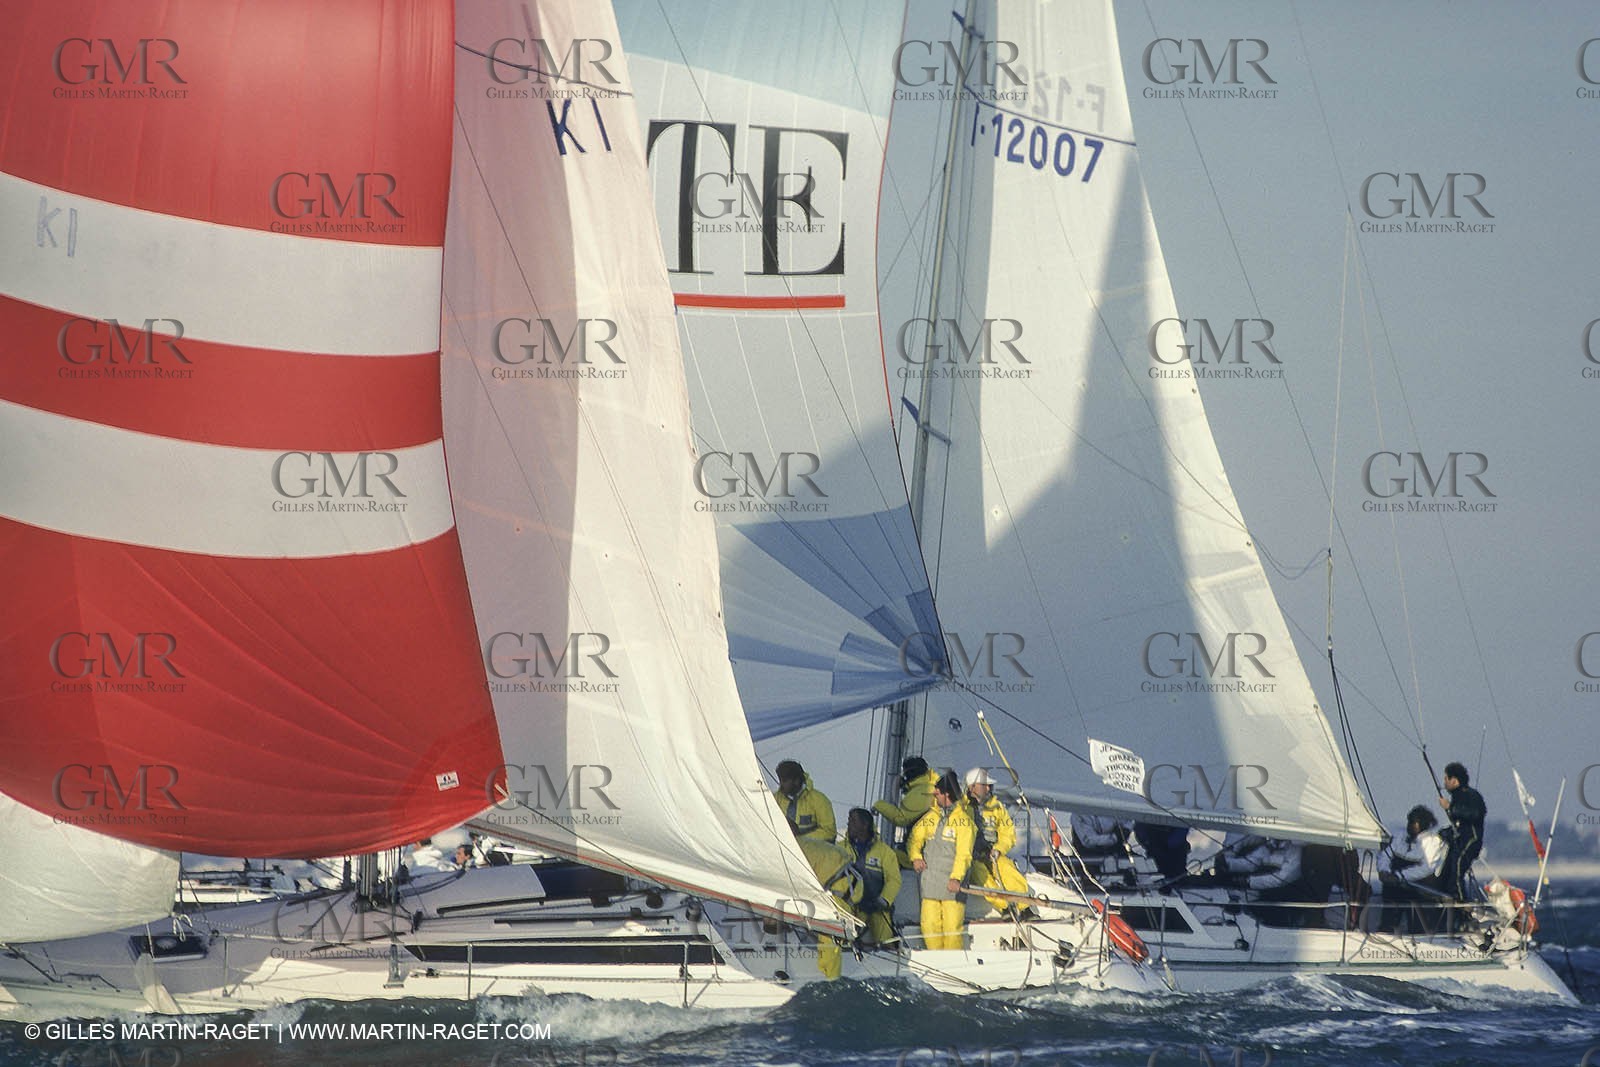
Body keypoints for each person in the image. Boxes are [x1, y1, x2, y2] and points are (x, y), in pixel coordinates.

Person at [907, 770, 976, 949]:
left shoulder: (964, 822)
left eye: (937, 793)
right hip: (930, 883)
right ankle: (934, 958)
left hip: (952, 886)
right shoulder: (930, 818)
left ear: (947, 794)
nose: (934, 797)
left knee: (952, 928)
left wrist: (956, 878)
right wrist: (915, 857)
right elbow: (915, 839)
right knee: (929, 926)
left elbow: (964, 854)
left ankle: (953, 960)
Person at [963, 768, 1032, 912]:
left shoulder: (997, 807)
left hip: (993, 854)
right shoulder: (961, 808)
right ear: (972, 787)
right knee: (981, 876)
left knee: (1007, 869)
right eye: (984, 785)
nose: (988, 788)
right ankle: (1005, 908)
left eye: (990, 785)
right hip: (971, 857)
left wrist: (999, 849)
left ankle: (1024, 907)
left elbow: (1007, 833)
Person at [797, 836, 865, 979]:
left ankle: (831, 978)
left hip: (844, 884)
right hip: (847, 876)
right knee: (833, 931)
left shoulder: (791, 851)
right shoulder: (799, 844)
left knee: (830, 932)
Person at [1376, 805, 1446, 932]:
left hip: (1419, 889)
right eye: (1409, 821)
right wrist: (1383, 870)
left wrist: (1399, 876)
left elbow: (1426, 868)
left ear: (1423, 824)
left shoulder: (1432, 841)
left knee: (1417, 925)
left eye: (1414, 822)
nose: (1410, 825)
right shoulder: (1399, 837)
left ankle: (1420, 936)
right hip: (1396, 887)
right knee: (1389, 915)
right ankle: (1385, 931)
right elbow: (1385, 855)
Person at [844, 808, 901, 947]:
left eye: (853, 821)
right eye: (849, 820)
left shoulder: (885, 852)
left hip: (877, 906)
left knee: (887, 942)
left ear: (865, 825)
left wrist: (884, 900)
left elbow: (893, 879)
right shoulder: (840, 849)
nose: (849, 824)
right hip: (852, 907)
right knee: (846, 940)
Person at [1437, 761, 1487, 902]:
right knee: (1446, 873)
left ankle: (1460, 902)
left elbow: (1475, 813)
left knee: (1457, 868)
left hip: (1471, 839)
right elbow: (1459, 824)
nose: (1444, 783)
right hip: (1460, 840)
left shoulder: (1471, 795)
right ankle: (1445, 901)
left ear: (1454, 780)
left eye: (1446, 779)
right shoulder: (1457, 796)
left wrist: (1450, 808)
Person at [873, 756, 938, 853]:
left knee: (887, 857)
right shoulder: (929, 787)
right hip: (929, 847)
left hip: (923, 850)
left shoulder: (922, 791)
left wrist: (879, 805)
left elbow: (901, 818)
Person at [773, 759, 836, 844]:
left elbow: (829, 832)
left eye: (784, 781)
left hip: (811, 850)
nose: (781, 784)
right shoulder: (774, 799)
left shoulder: (819, 800)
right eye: (780, 780)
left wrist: (800, 839)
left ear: (796, 781)